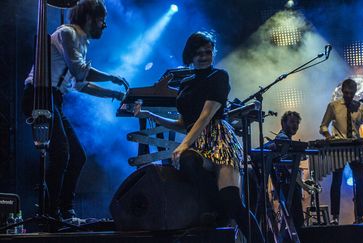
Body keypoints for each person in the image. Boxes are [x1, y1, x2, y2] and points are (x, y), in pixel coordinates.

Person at [134, 31, 264, 243]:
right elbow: (183, 123)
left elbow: (205, 116)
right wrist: (148, 114)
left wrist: (183, 144)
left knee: (233, 203)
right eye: (199, 53)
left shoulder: (219, 76)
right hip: (195, 141)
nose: (204, 56)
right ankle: (216, 212)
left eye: (208, 52)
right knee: (188, 160)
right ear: (190, 56)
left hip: (218, 141)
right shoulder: (185, 83)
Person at [23, 0, 127, 220]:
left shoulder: (81, 41)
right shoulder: (66, 33)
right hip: (40, 95)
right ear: (89, 18)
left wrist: (113, 94)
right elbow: (80, 72)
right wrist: (111, 78)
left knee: (77, 155)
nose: (104, 26)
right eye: (102, 20)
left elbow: (80, 84)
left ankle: (65, 210)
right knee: (60, 154)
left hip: (54, 98)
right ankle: (50, 213)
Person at [319, 78, 363, 224]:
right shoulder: (333, 106)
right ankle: (335, 217)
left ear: (355, 92)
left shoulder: (361, 107)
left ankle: (359, 216)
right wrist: (328, 136)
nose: (348, 96)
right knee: (336, 183)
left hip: (356, 147)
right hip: (338, 148)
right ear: (342, 91)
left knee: (360, 181)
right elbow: (323, 126)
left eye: (351, 93)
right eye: (345, 93)